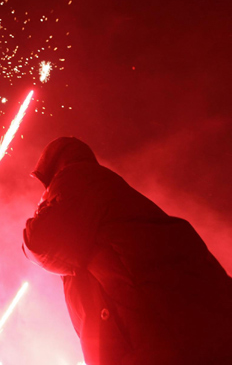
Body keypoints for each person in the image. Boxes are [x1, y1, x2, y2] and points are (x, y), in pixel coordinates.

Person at [23, 137, 232, 365]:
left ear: (54, 167)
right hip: (203, 327)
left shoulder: (76, 177)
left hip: (158, 340)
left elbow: (42, 241)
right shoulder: (113, 194)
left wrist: (43, 209)